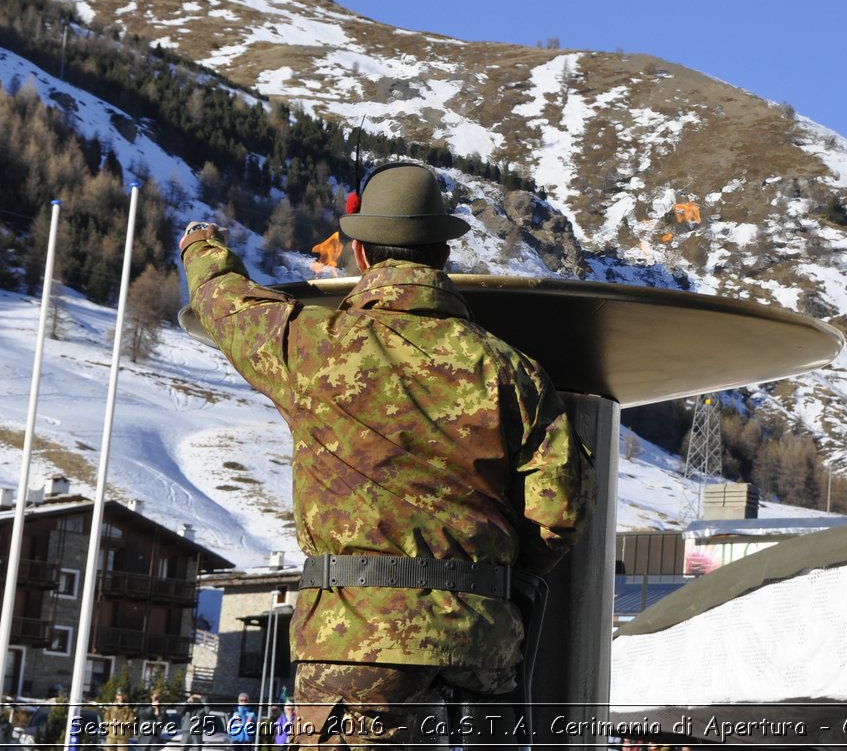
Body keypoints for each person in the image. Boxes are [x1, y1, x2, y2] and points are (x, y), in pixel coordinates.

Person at [180, 161, 591, 746]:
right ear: (443, 256)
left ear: (361, 255)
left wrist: (201, 245)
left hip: (354, 646)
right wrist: (480, 579)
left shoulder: (313, 346)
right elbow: (559, 514)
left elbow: (226, 304)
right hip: (480, 649)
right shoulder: (511, 372)